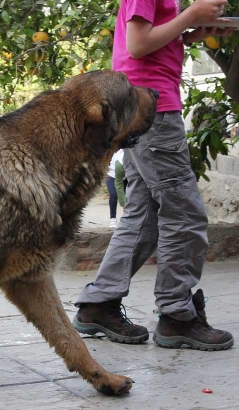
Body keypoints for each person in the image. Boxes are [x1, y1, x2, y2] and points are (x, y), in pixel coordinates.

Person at [73, 0, 235, 351]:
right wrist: (190, 15)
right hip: (152, 109)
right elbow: (137, 44)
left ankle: (98, 305)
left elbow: (149, 43)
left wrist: (191, 33)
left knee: (142, 217)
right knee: (185, 212)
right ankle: (177, 315)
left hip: (142, 106)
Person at [106, 149, 125, 228]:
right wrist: (123, 203)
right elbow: (118, 184)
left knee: (131, 196)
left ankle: (127, 218)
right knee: (113, 195)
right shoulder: (119, 162)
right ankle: (113, 219)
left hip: (126, 176)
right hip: (112, 176)